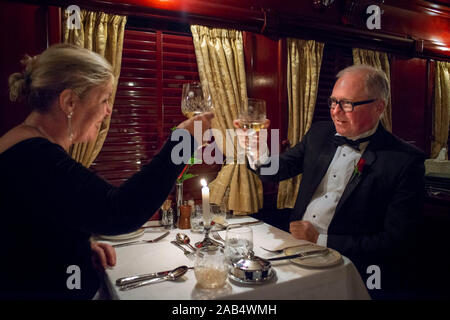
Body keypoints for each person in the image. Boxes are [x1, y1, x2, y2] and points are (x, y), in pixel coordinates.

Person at [0, 44, 213, 299]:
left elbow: (32, 236)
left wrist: (79, 245)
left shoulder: (23, 144)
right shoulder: (36, 157)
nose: (109, 110)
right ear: (69, 102)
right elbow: (120, 210)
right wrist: (182, 142)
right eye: (104, 99)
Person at [238, 65, 425, 299]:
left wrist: (320, 239)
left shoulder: (405, 161)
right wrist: (257, 152)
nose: (336, 112)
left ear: (379, 107)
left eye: (348, 104)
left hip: (350, 267)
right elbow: (279, 170)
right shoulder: (320, 133)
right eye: (333, 102)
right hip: (293, 250)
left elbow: (396, 242)